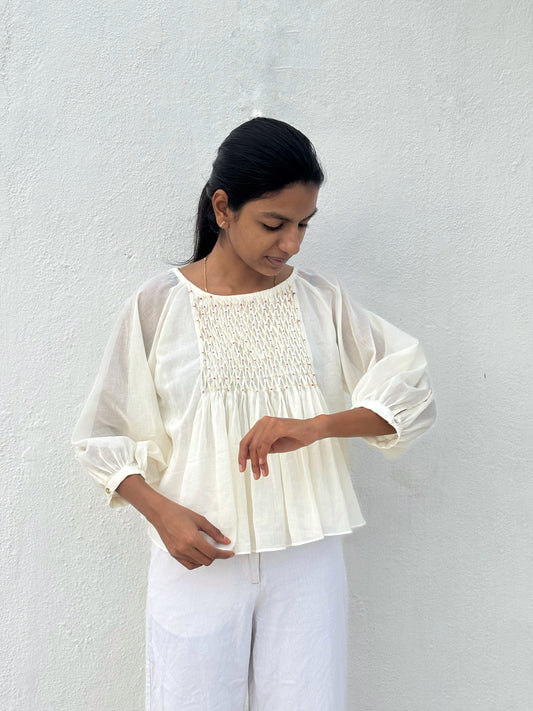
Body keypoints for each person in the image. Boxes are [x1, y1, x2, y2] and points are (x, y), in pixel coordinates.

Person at [71, 116, 436, 711]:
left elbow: (409, 389)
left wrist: (317, 425)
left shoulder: (321, 301)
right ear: (223, 208)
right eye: (274, 224)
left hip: (307, 558)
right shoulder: (158, 306)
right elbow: (102, 434)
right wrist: (161, 514)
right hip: (197, 554)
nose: (291, 243)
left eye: (303, 225)